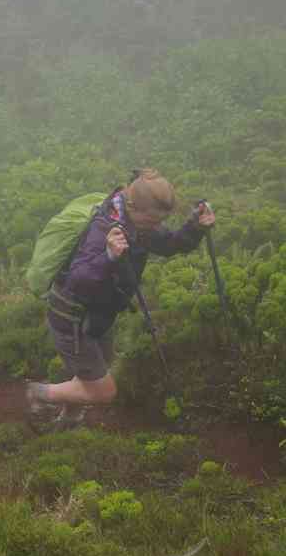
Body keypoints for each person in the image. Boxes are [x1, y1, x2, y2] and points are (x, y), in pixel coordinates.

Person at [26, 169, 216, 432]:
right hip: (72, 317)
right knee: (103, 391)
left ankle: (68, 424)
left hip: (98, 315)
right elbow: (77, 281)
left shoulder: (137, 222)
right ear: (134, 208)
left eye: (158, 221)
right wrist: (108, 256)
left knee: (91, 375)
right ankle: (39, 393)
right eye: (152, 221)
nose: (154, 226)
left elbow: (169, 243)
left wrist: (195, 227)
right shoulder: (104, 229)